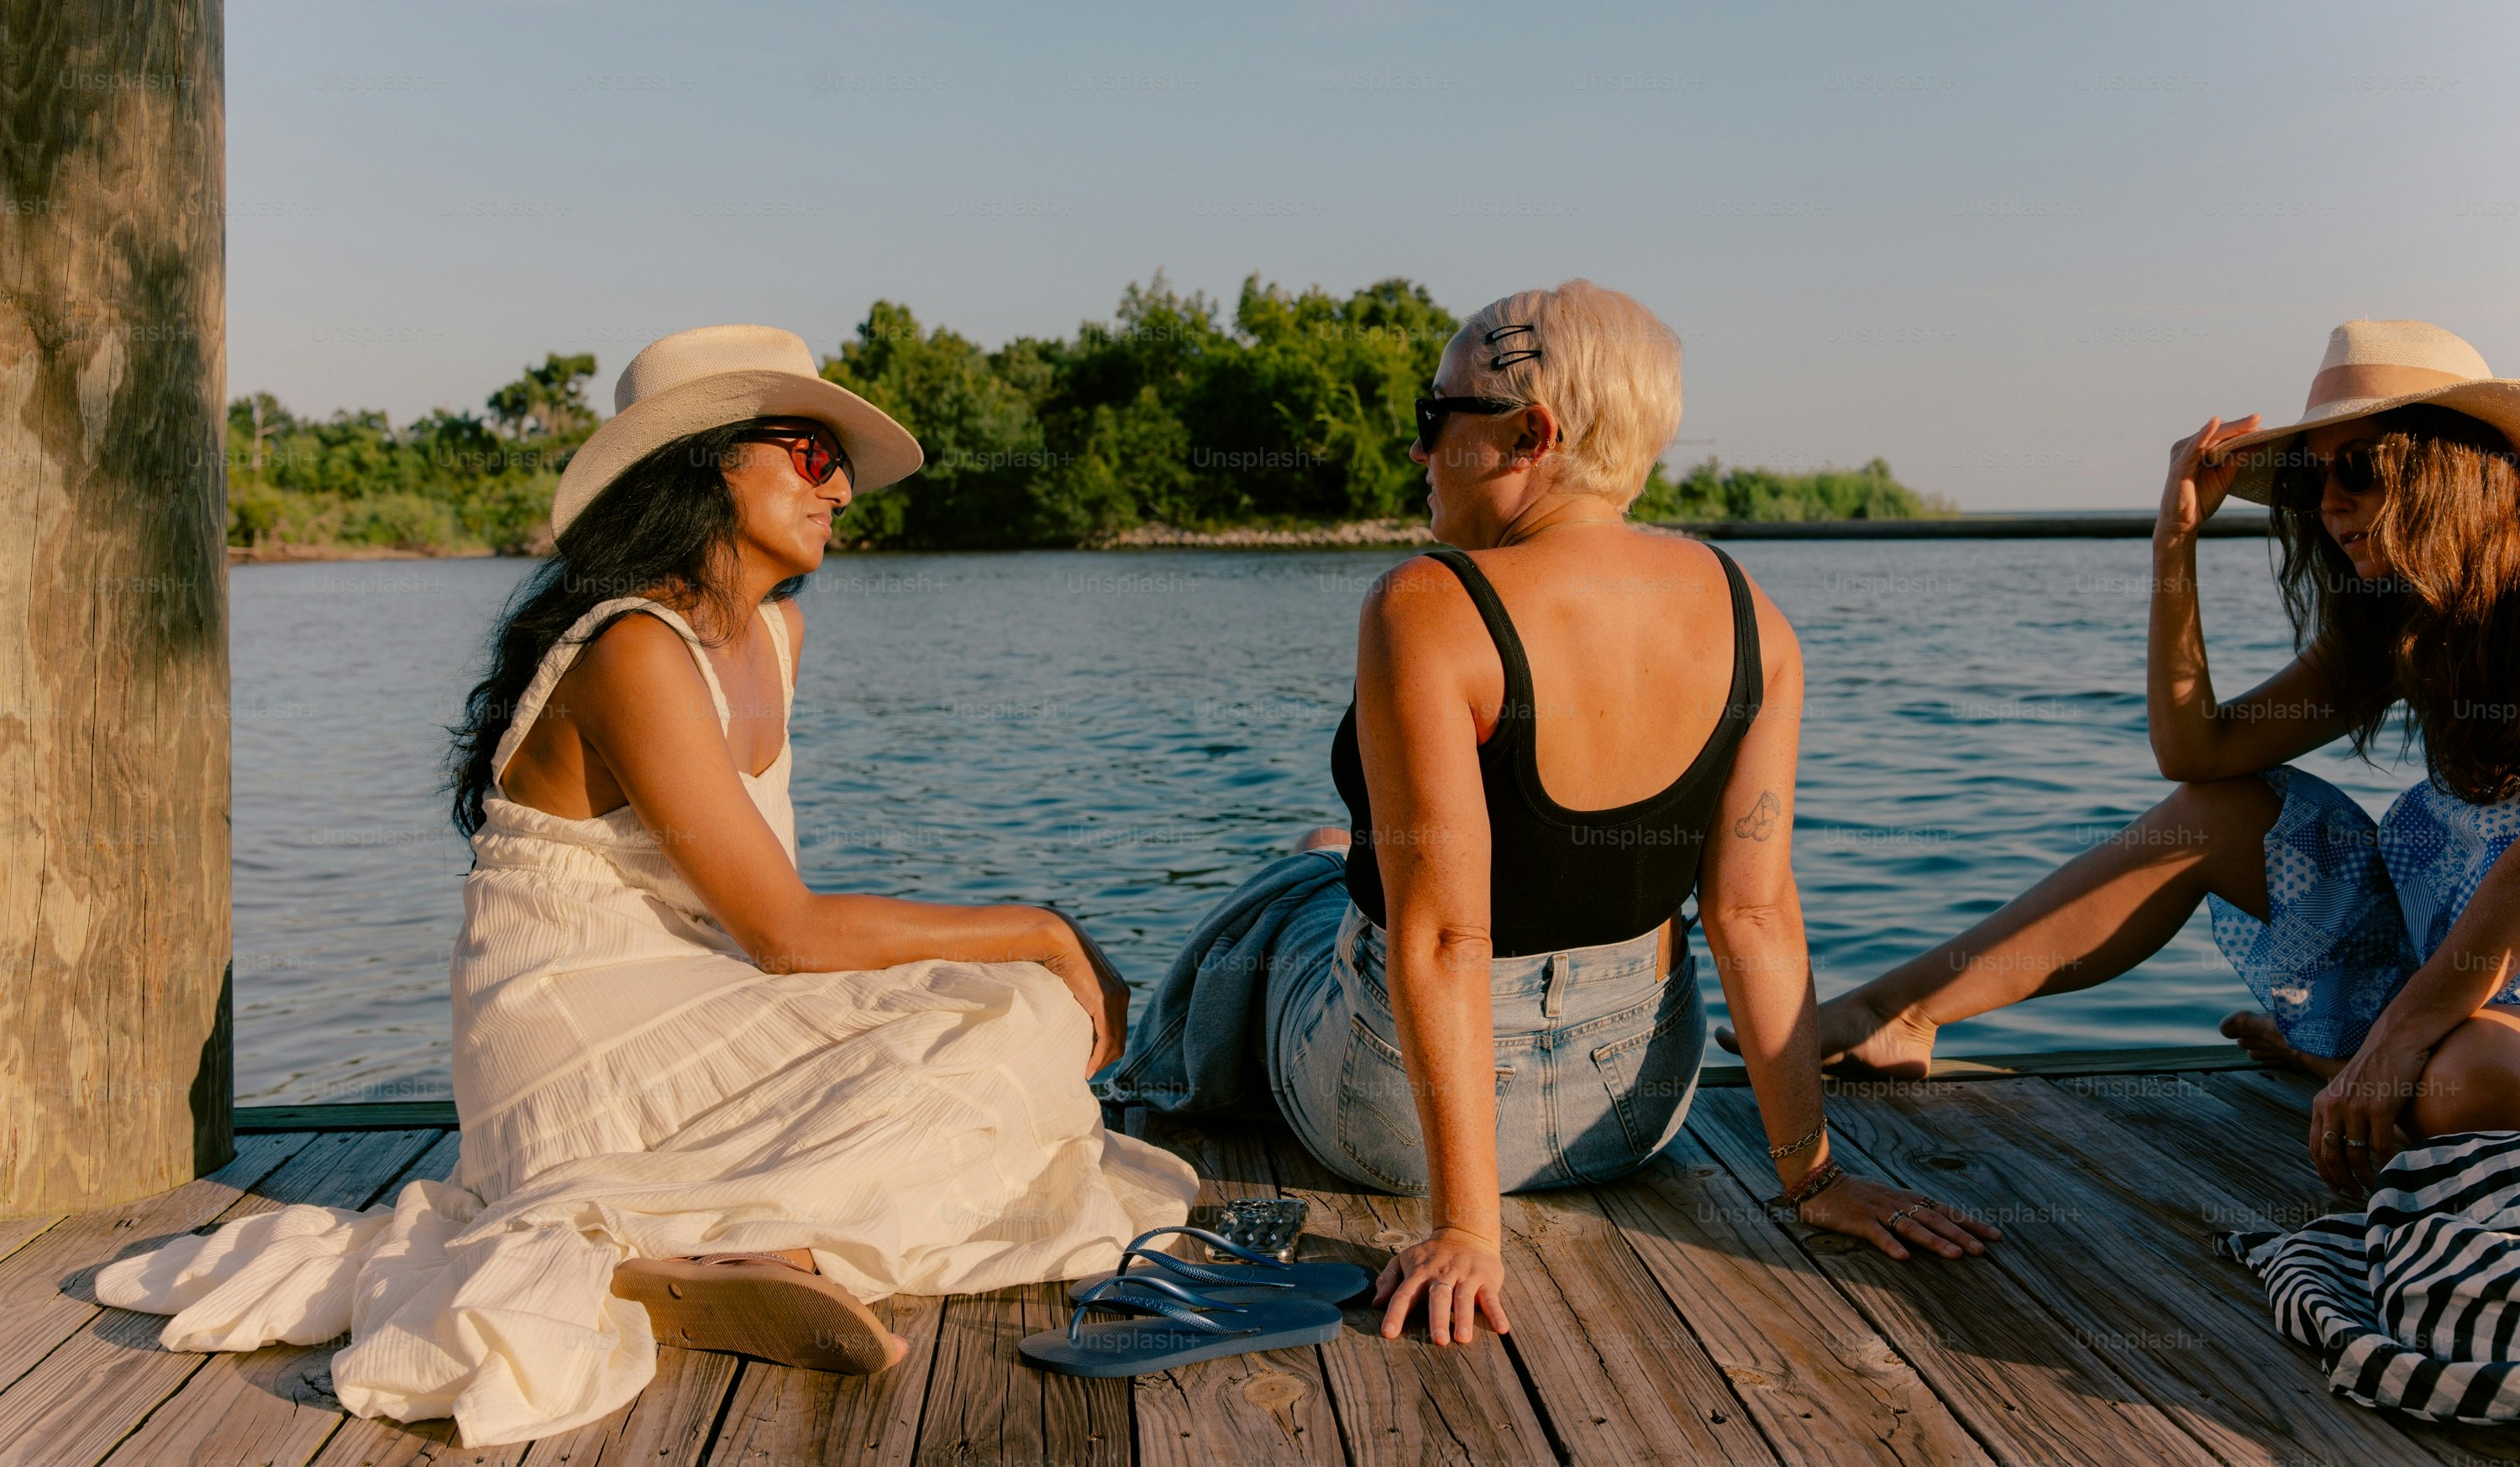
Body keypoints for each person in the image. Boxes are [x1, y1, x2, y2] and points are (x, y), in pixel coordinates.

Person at [99, 325, 1194, 1447]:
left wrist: (1012, 965)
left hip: (693, 994)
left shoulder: (777, 632)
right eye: (811, 457)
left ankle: (759, 1244)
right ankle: (717, 1229)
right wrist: (1043, 927)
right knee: (1014, 1005)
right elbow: (783, 931)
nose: (841, 493)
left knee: (1019, 1025)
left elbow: (770, 923)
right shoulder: (632, 647)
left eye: (842, 468)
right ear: (711, 461)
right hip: (572, 1035)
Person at [1103, 280, 1996, 1350]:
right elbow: (1752, 917)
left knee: (1300, 871)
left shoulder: (1428, 607)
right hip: (1631, 1114)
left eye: (1438, 420)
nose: (1421, 453)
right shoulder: (1754, 616)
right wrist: (1814, 1179)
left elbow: (1443, 935)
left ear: (1532, 433)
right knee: (1331, 860)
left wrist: (1466, 1229)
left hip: (1395, 1127)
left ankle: (1142, 1068)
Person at [1793, 319, 2520, 1195]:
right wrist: (2174, 544)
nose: (2329, 502)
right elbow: (2197, 753)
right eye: (2308, 475)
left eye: (2359, 468)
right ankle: (1896, 1010)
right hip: (2438, 953)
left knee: (2467, 1083)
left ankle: (2352, 1058)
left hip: (2483, 997)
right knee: (2214, 812)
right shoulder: (2392, 627)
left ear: (2453, 471)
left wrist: (2408, 1027)